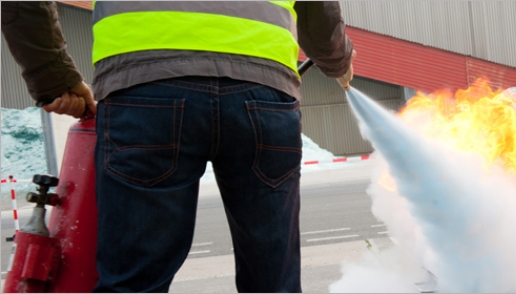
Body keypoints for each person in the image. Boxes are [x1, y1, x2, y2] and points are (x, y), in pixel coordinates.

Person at [2, 1, 356, 292]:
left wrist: (52, 75)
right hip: (263, 97)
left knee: (135, 281)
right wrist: (337, 61)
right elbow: (318, 10)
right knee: (272, 280)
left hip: (145, 90)